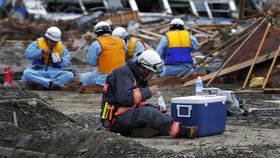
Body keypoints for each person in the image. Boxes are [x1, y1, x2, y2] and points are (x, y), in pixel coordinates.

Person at [100, 49, 198, 138]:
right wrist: (148, 91)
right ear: (144, 68)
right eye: (151, 73)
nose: (152, 76)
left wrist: (155, 108)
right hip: (115, 120)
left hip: (125, 115)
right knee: (149, 113)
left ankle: (140, 131)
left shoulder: (137, 76)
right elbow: (126, 99)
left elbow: (135, 102)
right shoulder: (123, 73)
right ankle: (183, 131)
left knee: (153, 110)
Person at [81, 21, 126, 86]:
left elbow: (92, 62)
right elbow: (124, 53)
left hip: (105, 78)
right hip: (122, 76)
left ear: (97, 32)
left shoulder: (96, 43)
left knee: (84, 77)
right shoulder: (121, 41)